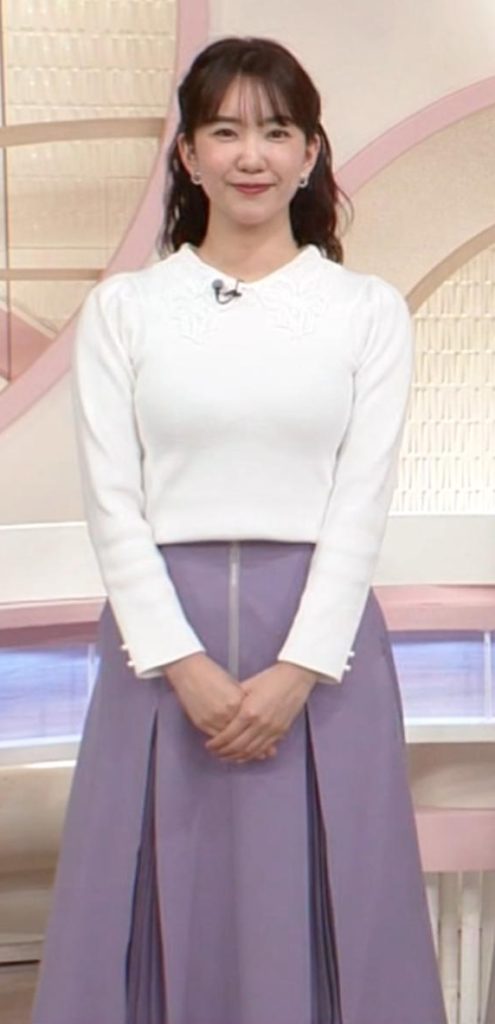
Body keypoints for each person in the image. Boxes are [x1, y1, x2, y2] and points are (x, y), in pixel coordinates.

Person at [32, 36, 447, 1024]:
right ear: (187, 155)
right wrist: (182, 663)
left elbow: (360, 502)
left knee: (340, 896)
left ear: (310, 153)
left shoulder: (365, 311)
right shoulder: (125, 309)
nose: (250, 155)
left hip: (324, 651)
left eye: (276, 131)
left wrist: (298, 668)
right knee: (144, 894)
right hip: (156, 651)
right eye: (224, 131)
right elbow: (112, 500)